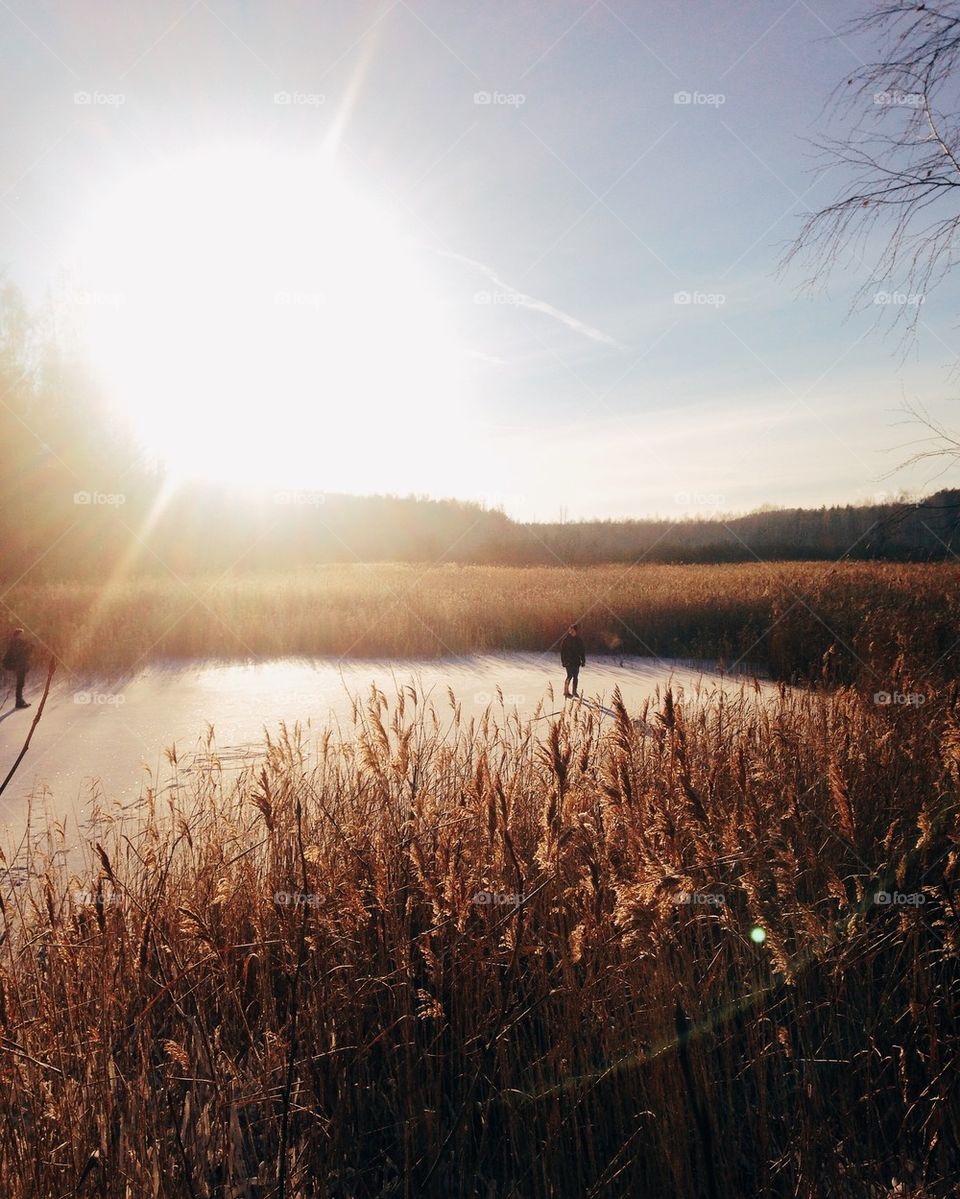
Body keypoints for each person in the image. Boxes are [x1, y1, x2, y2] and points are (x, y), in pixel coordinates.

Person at [3, 627, 32, 709]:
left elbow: (26, 654)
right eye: (21, 634)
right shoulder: (17, 644)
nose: (23, 636)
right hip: (19, 666)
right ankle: (19, 702)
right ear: (17, 635)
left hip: (19, 666)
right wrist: (29, 647)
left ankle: (20, 700)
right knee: (20, 684)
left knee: (20, 684)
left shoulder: (16, 643)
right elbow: (22, 654)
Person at [560, 623, 586, 699]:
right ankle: (566, 691)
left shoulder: (579, 640)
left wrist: (583, 660)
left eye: (572, 630)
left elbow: (582, 651)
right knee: (569, 676)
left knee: (575, 677)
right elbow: (562, 651)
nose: (571, 631)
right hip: (568, 661)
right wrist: (563, 661)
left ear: (575, 631)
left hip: (576, 661)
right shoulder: (566, 640)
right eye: (570, 630)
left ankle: (574, 691)